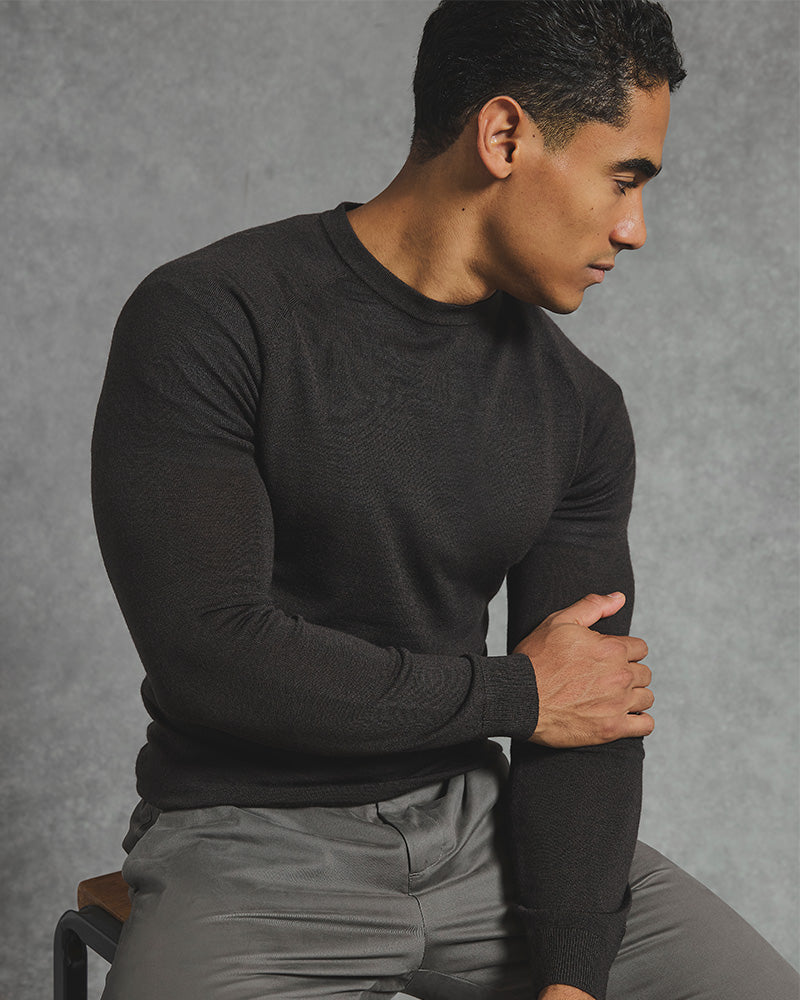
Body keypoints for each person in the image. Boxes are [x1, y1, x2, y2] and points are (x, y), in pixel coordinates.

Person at [90, 2, 799, 998]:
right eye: (622, 178)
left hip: (479, 844)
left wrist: (572, 977)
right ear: (503, 136)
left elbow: (590, 711)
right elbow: (212, 654)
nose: (634, 230)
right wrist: (517, 695)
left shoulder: (580, 407)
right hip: (248, 844)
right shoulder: (211, 317)